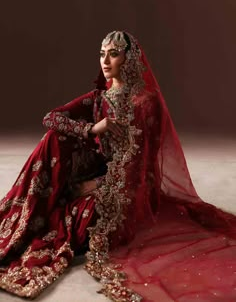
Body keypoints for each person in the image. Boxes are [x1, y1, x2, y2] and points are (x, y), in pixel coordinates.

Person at [0, 31, 235, 301]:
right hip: (105, 172)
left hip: (130, 187)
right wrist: (91, 129)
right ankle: (27, 218)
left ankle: (44, 219)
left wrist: (95, 185)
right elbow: (50, 118)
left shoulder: (146, 103)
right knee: (54, 138)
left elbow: (141, 166)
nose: (106, 60)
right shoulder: (100, 97)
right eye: (102, 53)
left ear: (129, 58)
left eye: (114, 53)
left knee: (83, 217)